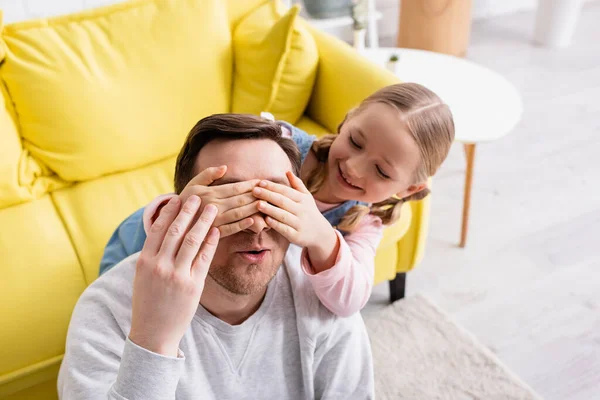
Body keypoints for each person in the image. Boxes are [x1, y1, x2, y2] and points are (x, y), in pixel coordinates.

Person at [57, 115, 374, 399]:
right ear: (183, 209)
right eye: (230, 199)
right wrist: (154, 341)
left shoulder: (321, 294)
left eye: (274, 199)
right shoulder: (105, 310)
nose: (256, 222)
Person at [99, 82, 455, 316]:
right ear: (346, 122)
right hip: (145, 241)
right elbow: (195, 180)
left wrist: (320, 235)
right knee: (120, 304)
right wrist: (188, 210)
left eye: (382, 171)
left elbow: (348, 302)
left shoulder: (364, 223)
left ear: (407, 189)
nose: (355, 168)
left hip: (211, 285)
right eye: (357, 142)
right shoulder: (281, 143)